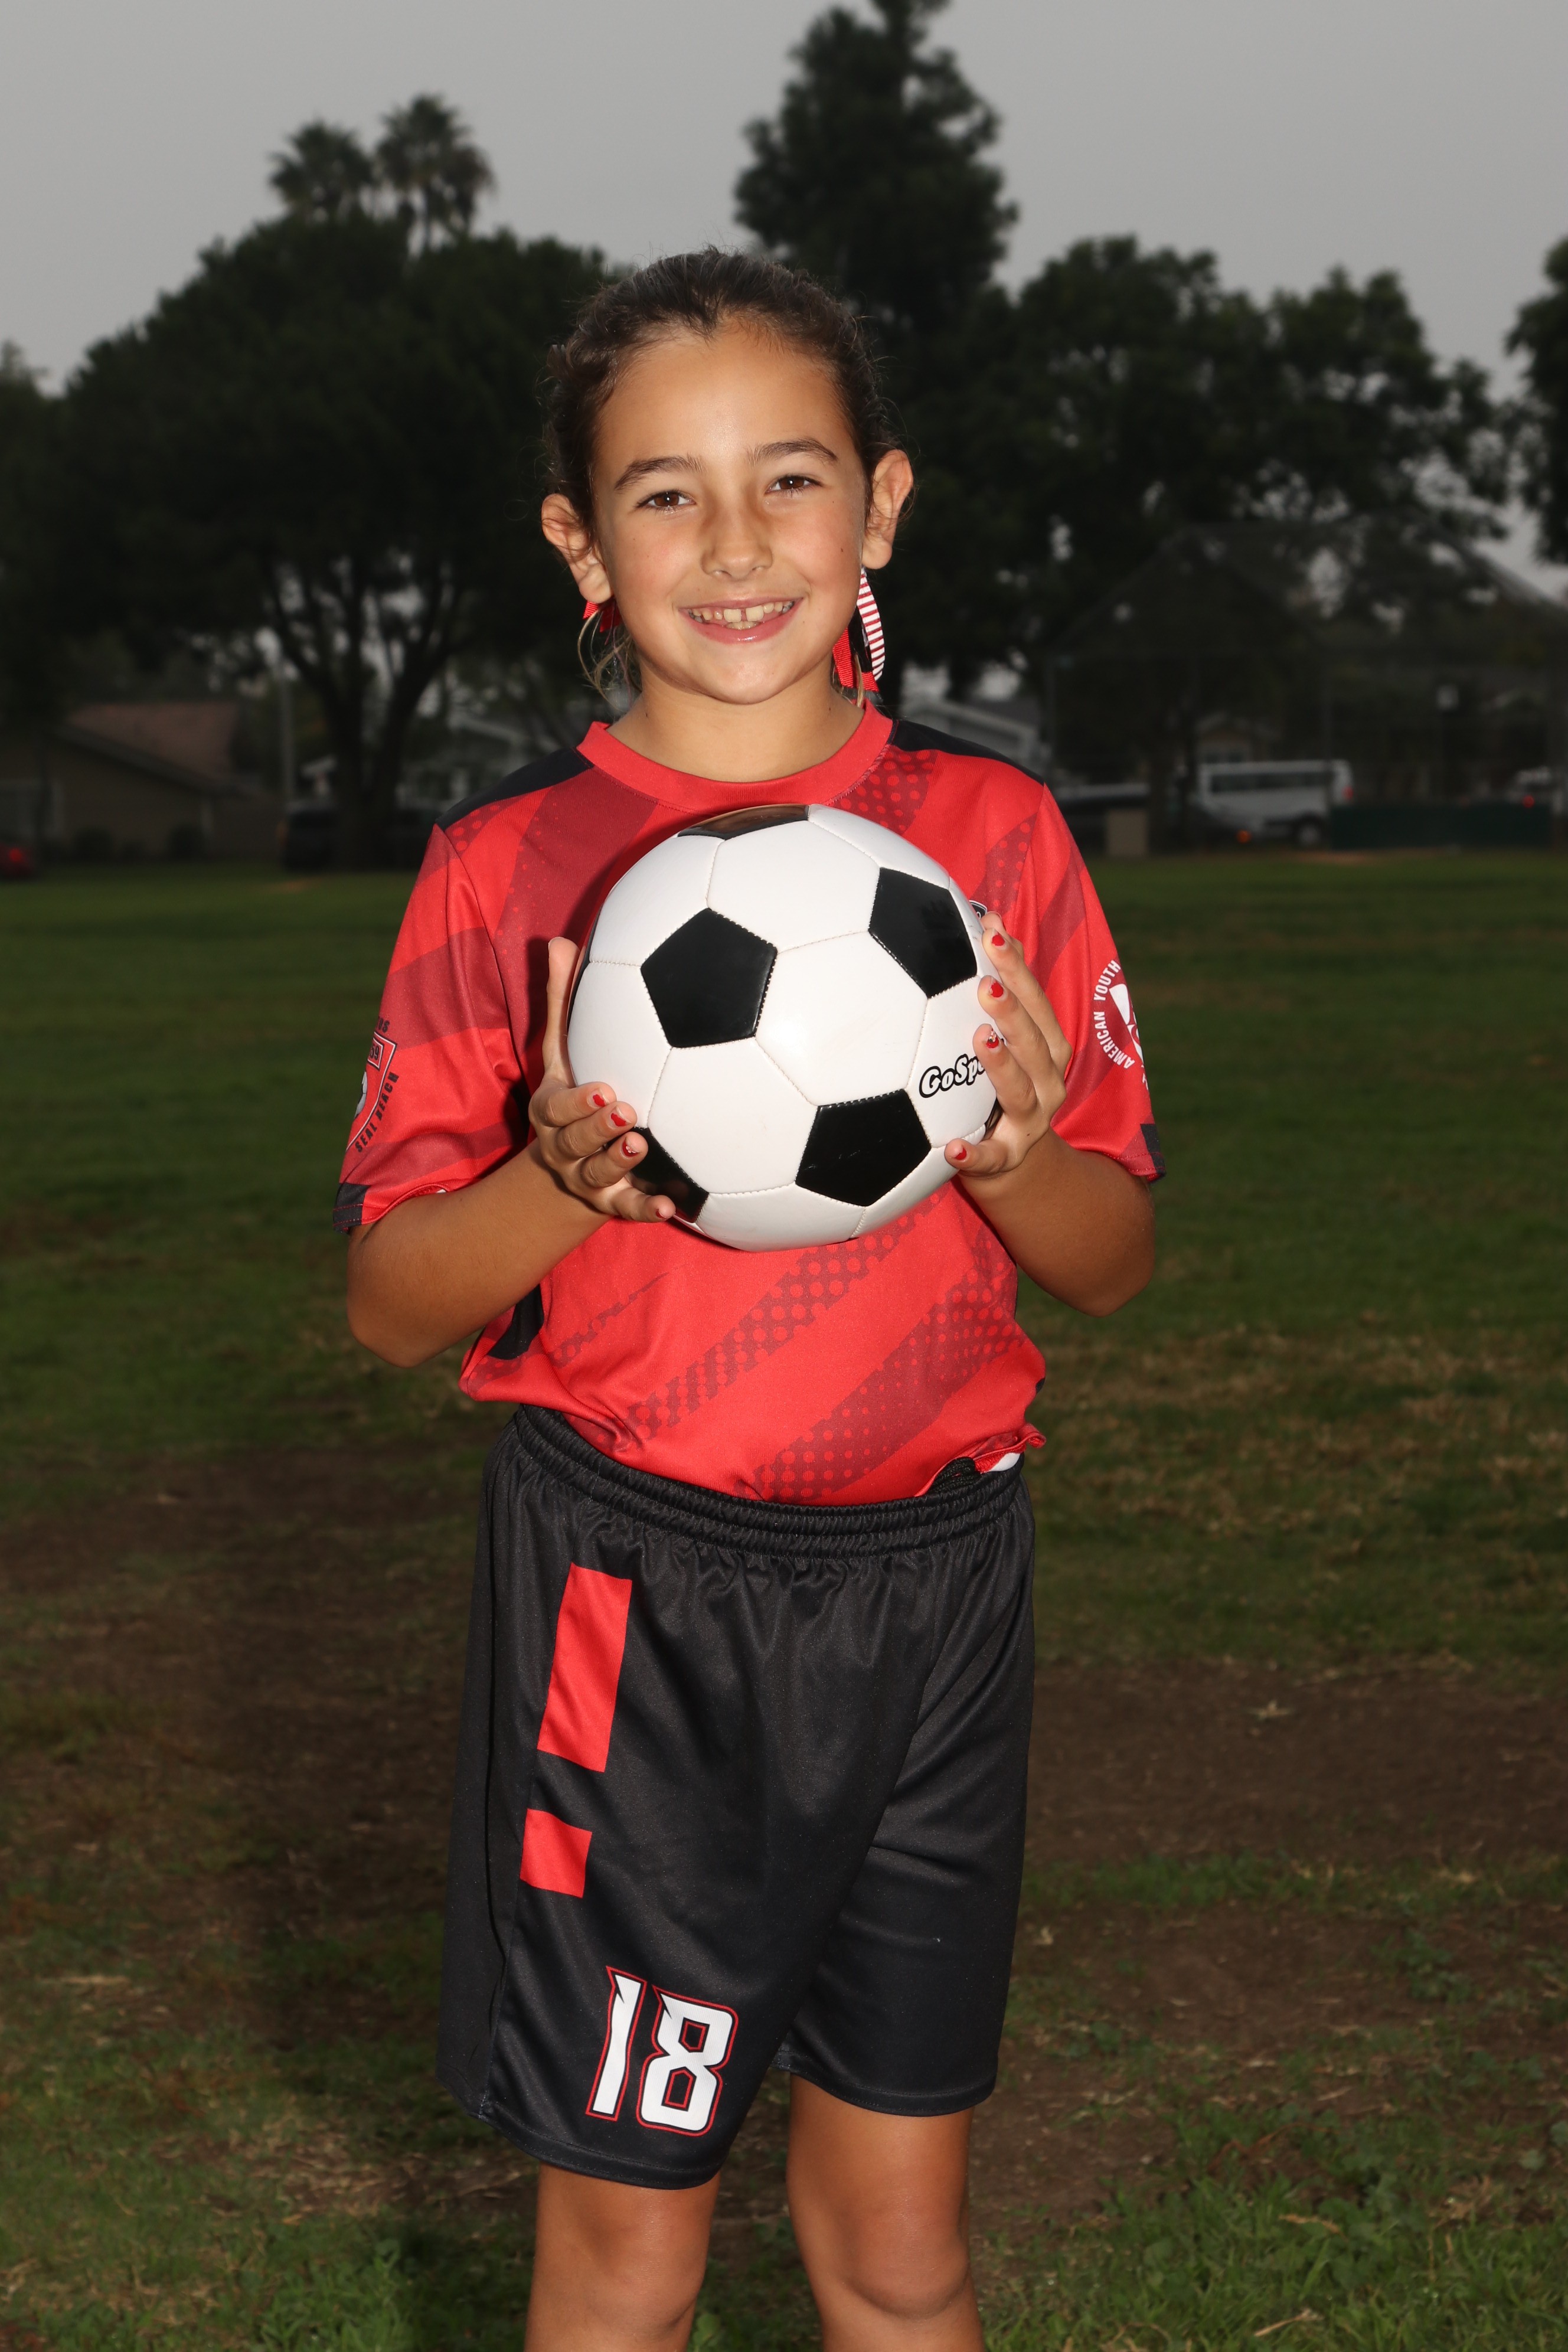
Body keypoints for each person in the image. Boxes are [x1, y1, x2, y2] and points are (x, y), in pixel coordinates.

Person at [339, 250, 1159, 2352]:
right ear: (579, 543)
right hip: (642, 1606)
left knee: (899, 2248)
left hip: (941, 1591)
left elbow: (1114, 1256)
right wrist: (554, 1182)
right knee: (632, 2254)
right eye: (665, 493)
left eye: (788, 479)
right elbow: (393, 1306)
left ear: (881, 503)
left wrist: (1015, 1155)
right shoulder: (507, 872)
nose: (734, 543)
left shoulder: (992, 840)